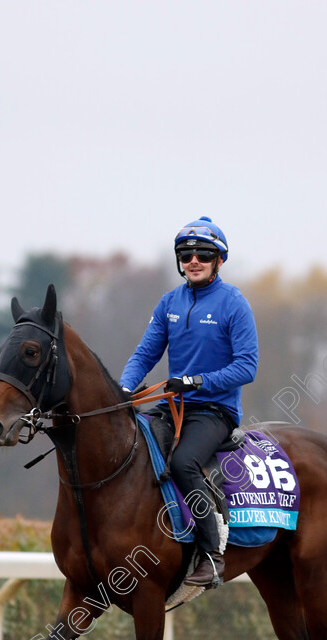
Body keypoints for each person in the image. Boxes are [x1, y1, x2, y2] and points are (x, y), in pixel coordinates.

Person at [119, 216, 258, 587]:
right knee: (135, 446)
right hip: (174, 405)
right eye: (186, 254)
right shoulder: (169, 303)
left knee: (182, 462)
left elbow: (248, 366)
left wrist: (198, 380)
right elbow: (145, 354)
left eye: (203, 254)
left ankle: (213, 556)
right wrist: (124, 389)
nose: (193, 260)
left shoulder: (234, 304)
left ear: (219, 260)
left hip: (215, 410)